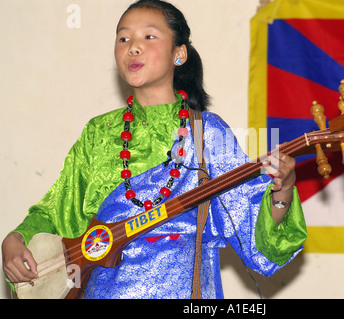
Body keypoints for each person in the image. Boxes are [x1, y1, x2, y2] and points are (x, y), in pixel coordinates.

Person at [2, 0, 307, 299]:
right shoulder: (99, 133)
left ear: (179, 54)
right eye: (123, 38)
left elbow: (258, 238)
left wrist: (283, 190)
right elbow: (58, 215)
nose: (132, 47)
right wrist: (16, 239)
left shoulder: (208, 135)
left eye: (149, 36)